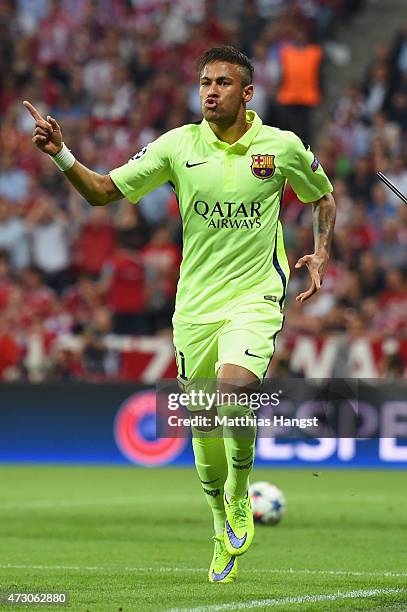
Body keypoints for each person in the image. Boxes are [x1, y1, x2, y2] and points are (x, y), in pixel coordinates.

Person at [23, 45, 336, 583]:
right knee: (202, 422)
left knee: (234, 390)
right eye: (204, 83)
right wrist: (61, 153)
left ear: (247, 93)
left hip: (256, 294)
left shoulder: (280, 148)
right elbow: (101, 192)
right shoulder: (177, 146)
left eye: (222, 83)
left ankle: (240, 496)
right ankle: (219, 525)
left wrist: (321, 250)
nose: (210, 91)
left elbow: (323, 197)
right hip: (194, 305)